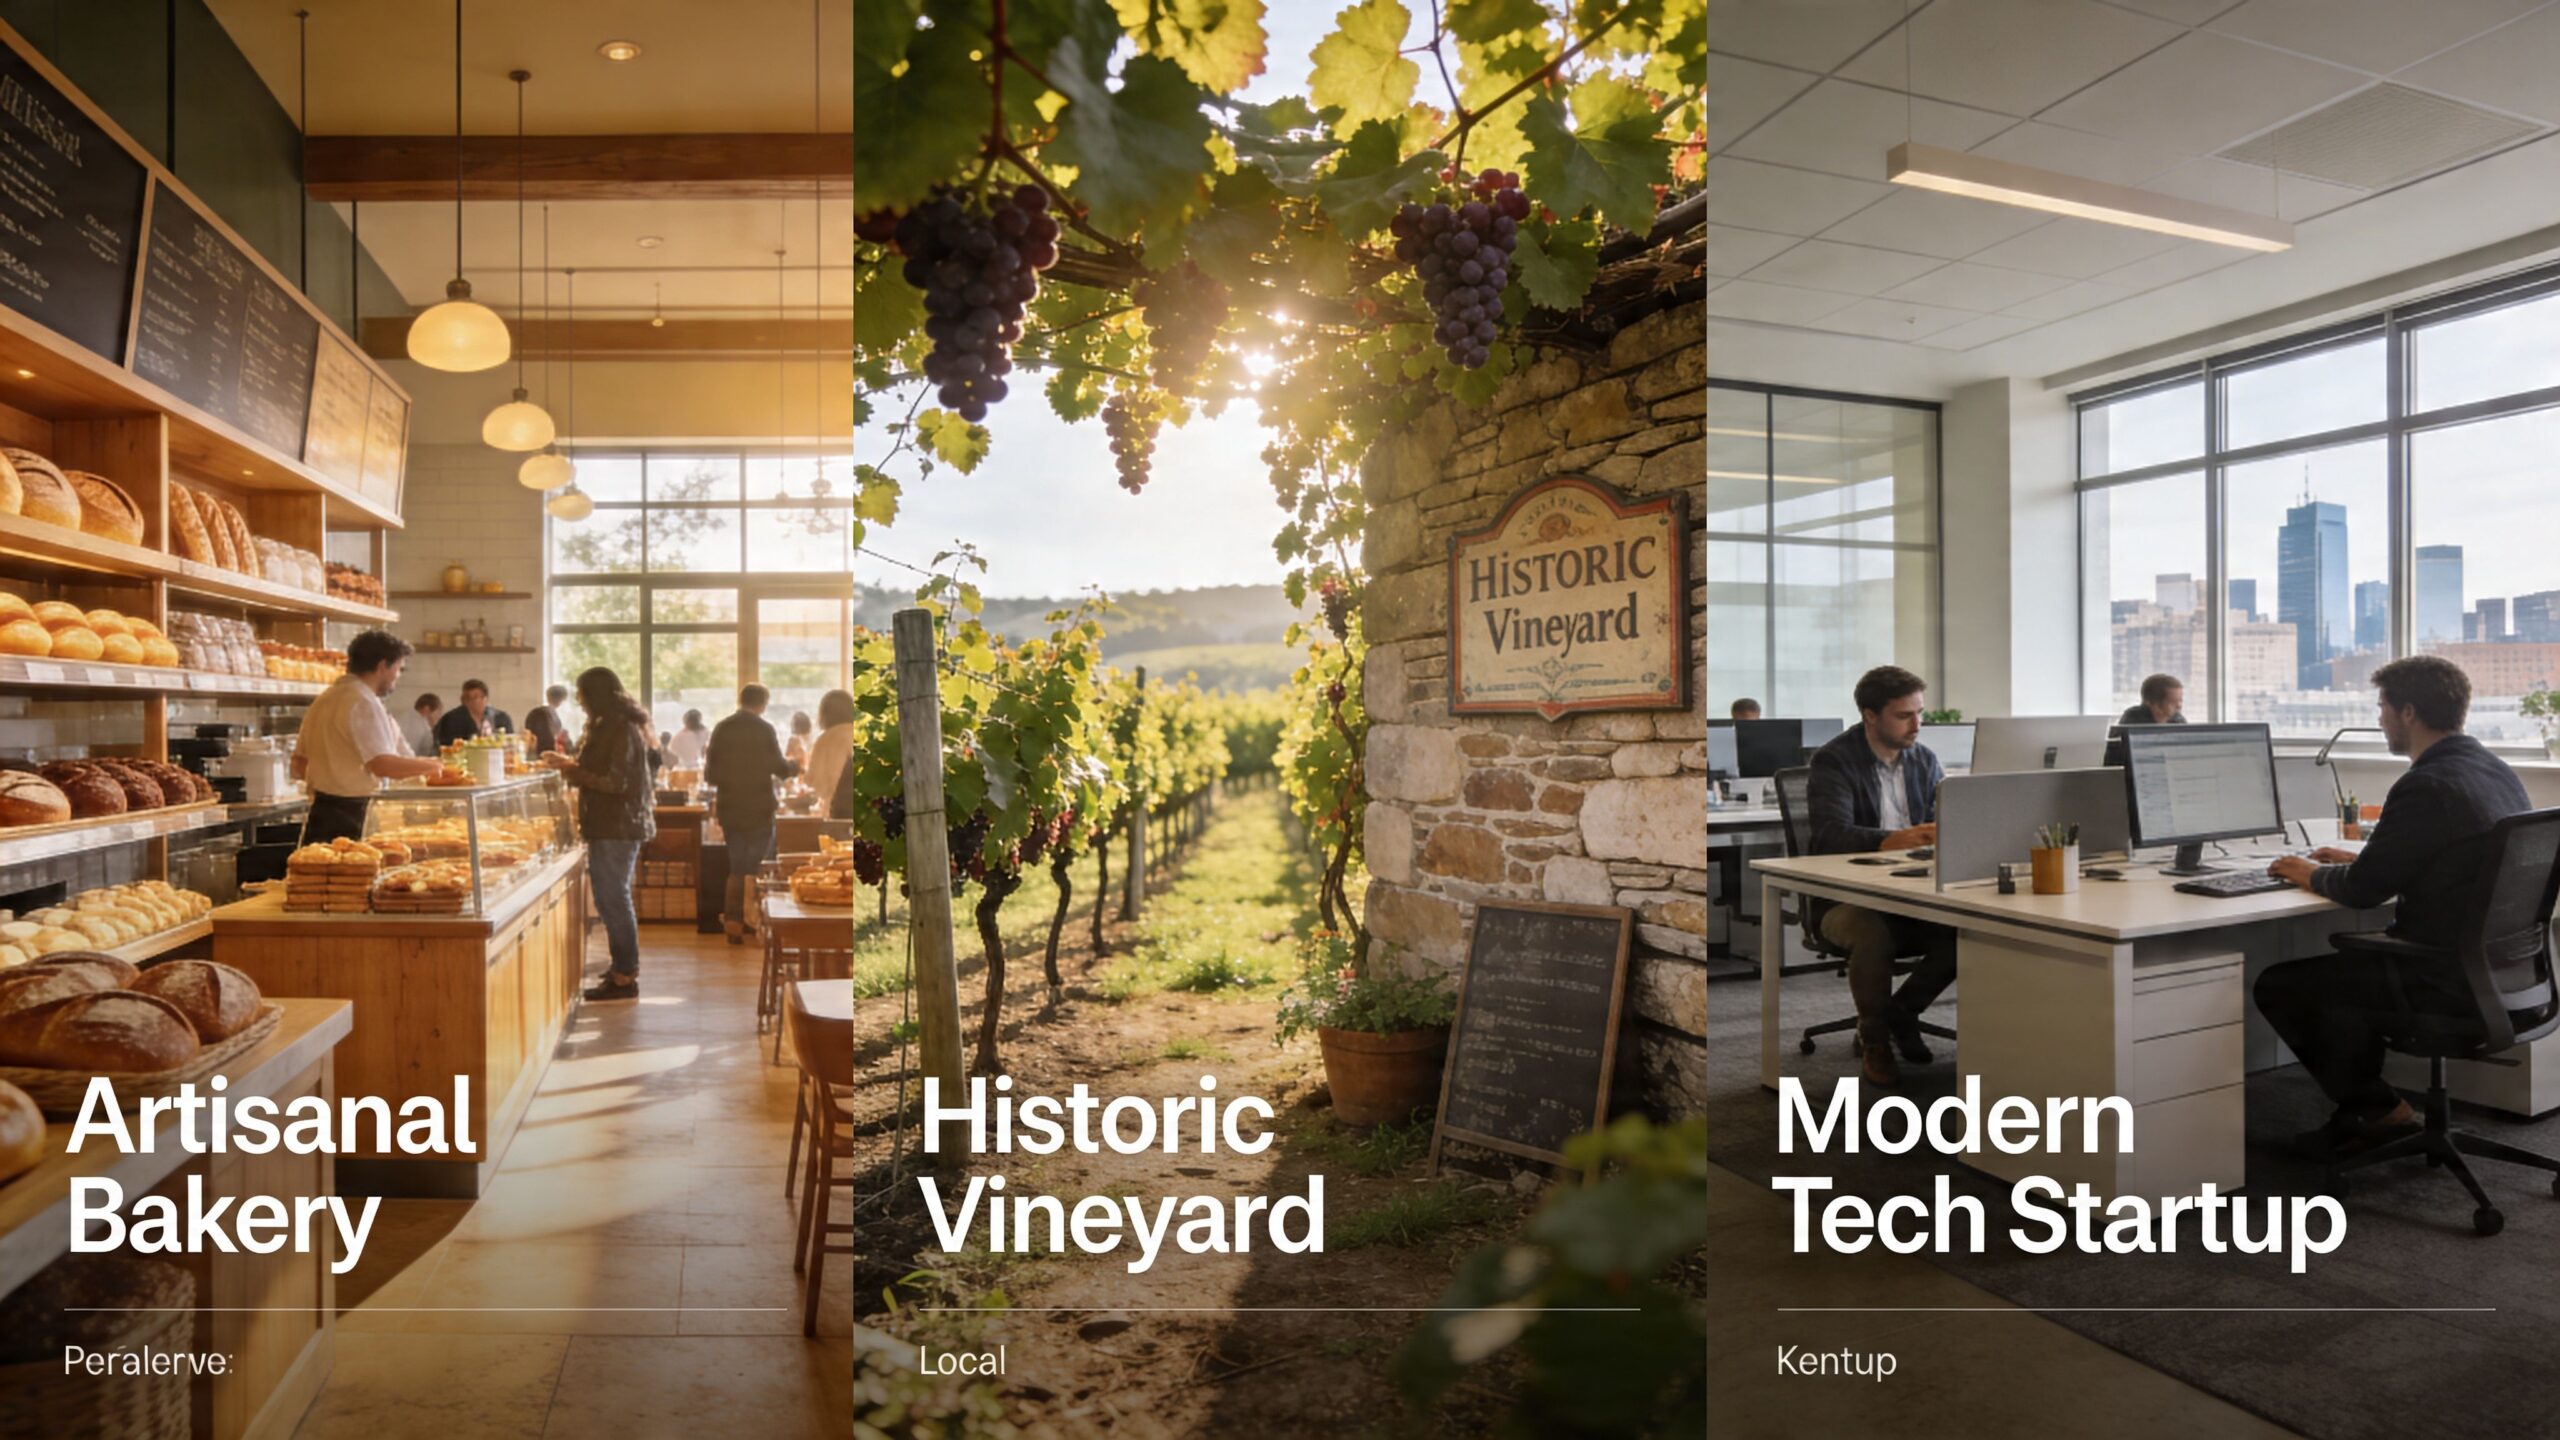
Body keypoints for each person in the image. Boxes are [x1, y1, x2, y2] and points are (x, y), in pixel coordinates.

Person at [2255, 656, 2530, 1159]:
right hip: (2503, 973)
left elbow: (2362, 891)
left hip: (2442, 980)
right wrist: (2362, 855)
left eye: (2381, 707)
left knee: (2283, 984)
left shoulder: (2425, 784)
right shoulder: (2490, 768)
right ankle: (2370, 1110)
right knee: (2340, 973)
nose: (2379, 718)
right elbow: (2436, 854)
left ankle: (2377, 1109)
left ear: (2408, 712)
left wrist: (2307, 872)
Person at [1804, 665, 1956, 1087]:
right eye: (1904, 716)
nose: (1917, 725)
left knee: (1971, 930)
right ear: (1870, 715)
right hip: (1843, 899)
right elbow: (1831, 834)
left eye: (1920, 713)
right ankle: (1875, 1039)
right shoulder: (1834, 760)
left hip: (1911, 892)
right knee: (1872, 934)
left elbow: (1942, 822)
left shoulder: (1924, 760)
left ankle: (1902, 1012)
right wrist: (1898, 839)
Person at [544, 667, 657, 1000]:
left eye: (582, 694)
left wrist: (572, 769)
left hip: (617, 825)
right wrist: (569, 763)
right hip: (609, 824)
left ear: (595, 695)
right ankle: (621, 966)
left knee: (614, 898)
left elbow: (616, 782)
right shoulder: (610, 725)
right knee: (610, 899)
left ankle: (625, 974)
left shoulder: (620, 728)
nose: (579, 701)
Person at [293, 632, 448, 844]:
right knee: (355, 875)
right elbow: (382, 764)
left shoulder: (325, 699)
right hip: (352, 817)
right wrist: (434, 767)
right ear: (383, 666)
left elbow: (299, 764)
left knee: (318, 874)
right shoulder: (362, 701)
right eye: (398, 669)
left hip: (320, 814)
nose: (397, 676)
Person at [707, 684, 801, 942]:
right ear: (763, 704)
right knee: (758, 865)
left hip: (730, 807)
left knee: (737, 865)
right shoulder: (764, 729)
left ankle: (734, 920)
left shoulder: (722, 728)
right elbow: (779, 768)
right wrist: (795, 766)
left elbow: (710, 775)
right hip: (759, 806)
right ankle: (757, 921)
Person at [808, 690, 857, 818]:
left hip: (835, 811)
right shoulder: (858, 734)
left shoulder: (823, 741)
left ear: (823, 714)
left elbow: (816, 784)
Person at [431, 678, 515, 748]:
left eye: (475, 697)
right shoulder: (451, 719)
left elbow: (511, 745)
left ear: (485, 699)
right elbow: (446, 746)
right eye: (466, 697)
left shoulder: (501, 718)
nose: (470, 701)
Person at [2118, 673, 2186, 728]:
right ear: (2154, 704)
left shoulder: (2178, 721)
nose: (2179, 706)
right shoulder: (2133, 720)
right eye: (2172, 702)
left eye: (2180, 701)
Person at [523, 685, 573, 756]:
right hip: (549, 755)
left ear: (547, 696)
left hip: (533, 753)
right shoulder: (555, 715)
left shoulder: (535, 712)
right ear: (563, 699)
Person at [398, 693, 442, 758]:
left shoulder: (403, 717)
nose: (438, 717)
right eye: (438, 712)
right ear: (426, 709)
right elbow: (425, 754)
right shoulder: (422, 726)